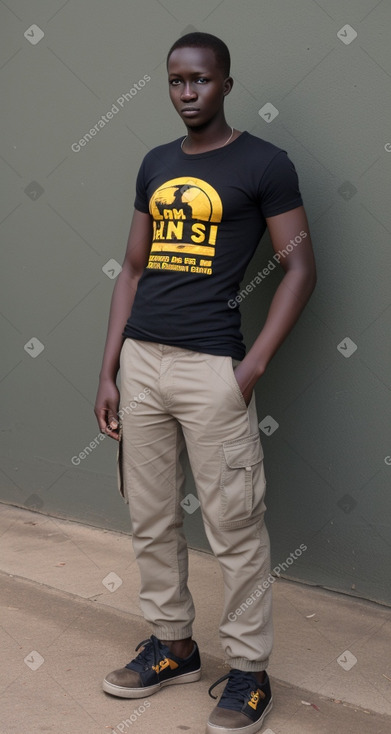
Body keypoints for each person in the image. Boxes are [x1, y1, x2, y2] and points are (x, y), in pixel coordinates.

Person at [94, 31, 316, 734]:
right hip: (142, 366)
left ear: (225, 82)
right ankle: (174, 646)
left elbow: (300, 268)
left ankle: (248, 672)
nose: (186, 94)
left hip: (210, 369)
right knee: (150, 516)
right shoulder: (156, 163)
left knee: (234, 526)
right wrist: (109, 369)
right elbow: (130, 271)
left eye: (200, 81)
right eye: (175, 82)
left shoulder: (263, 164)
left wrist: (248, 372)